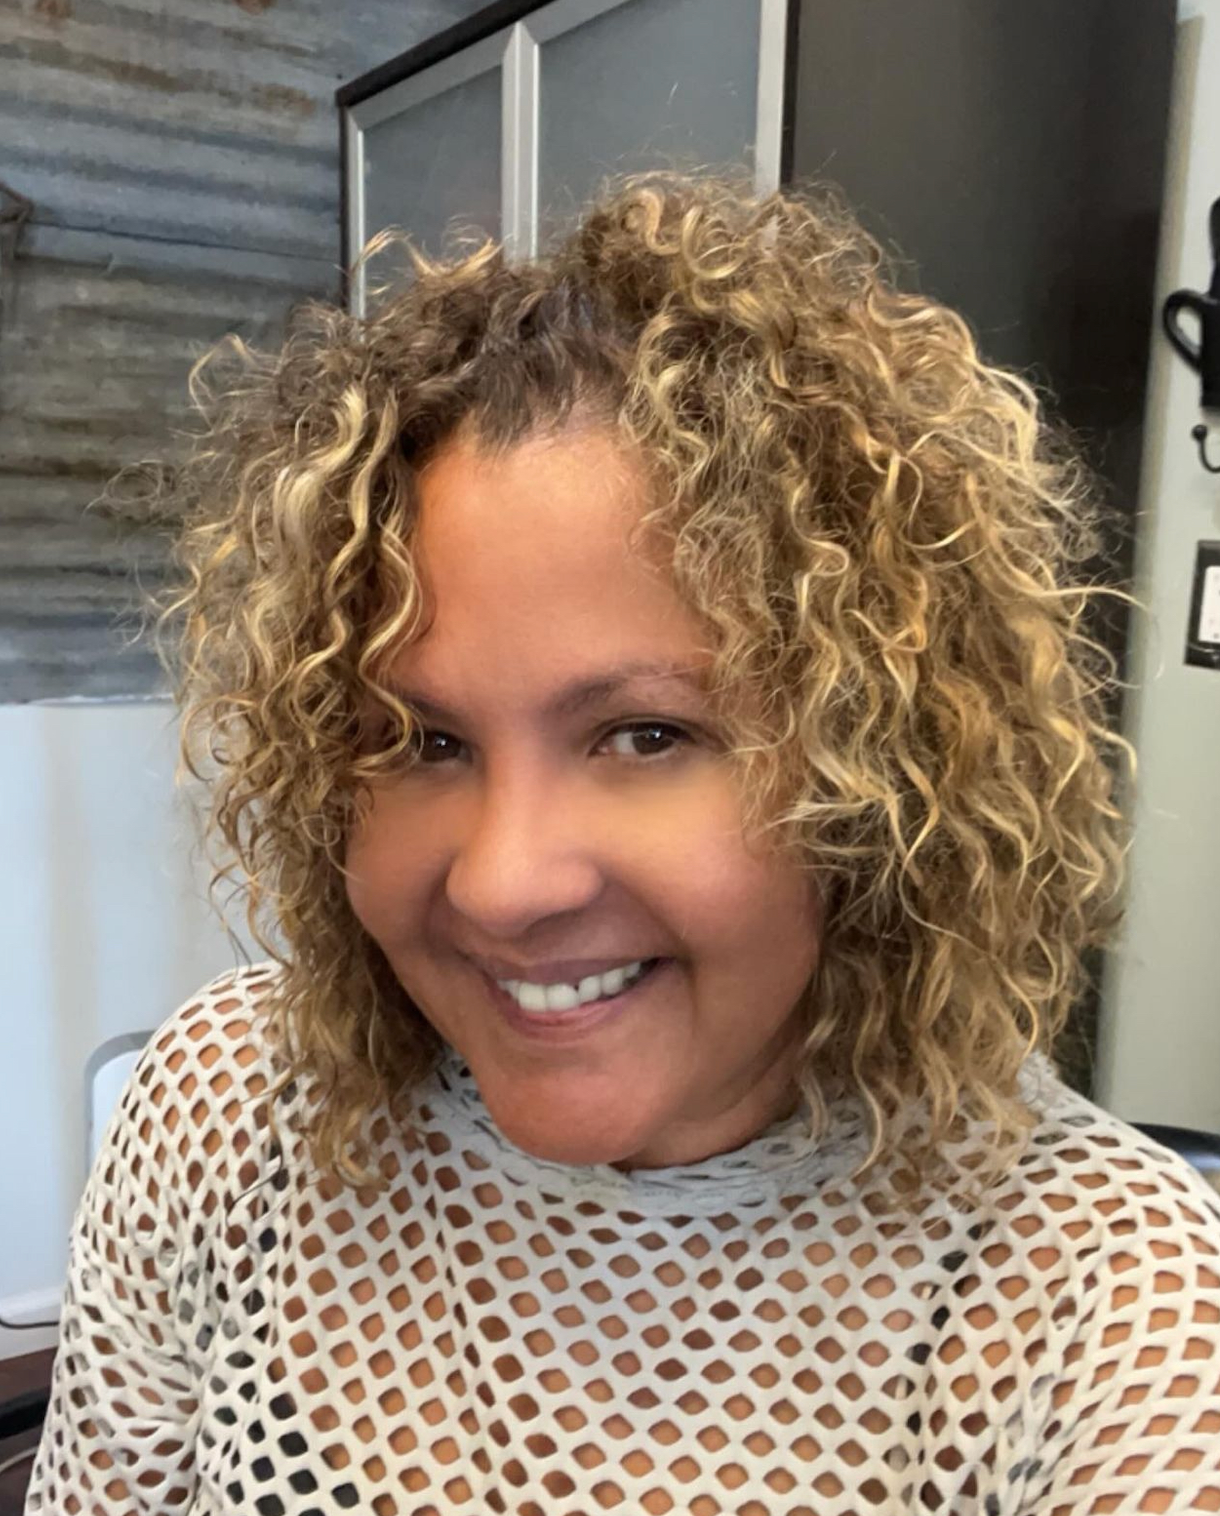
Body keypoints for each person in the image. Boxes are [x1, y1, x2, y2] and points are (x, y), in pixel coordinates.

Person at [25, 171, 1220, 1515]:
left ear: (881, 770)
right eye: (424, 742)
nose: (504, 880)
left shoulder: (1102, 1306)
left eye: (646, 736)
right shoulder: (236, 1115)